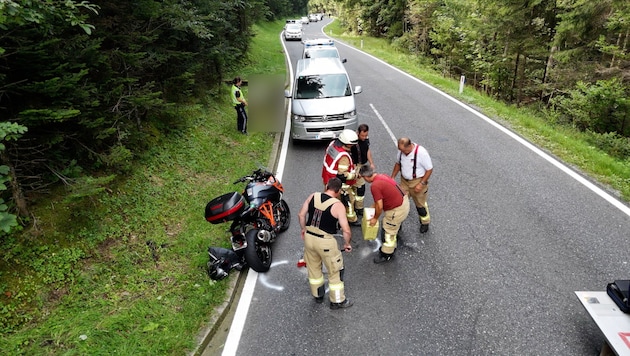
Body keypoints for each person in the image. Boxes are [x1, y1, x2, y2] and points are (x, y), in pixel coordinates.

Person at [298, 177, 354, 309]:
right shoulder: (337, 205)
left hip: (309, 238)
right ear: (339, 191)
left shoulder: (313, 196)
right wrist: (346, 244)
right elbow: (346, 230)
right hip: (325, 242)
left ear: (327, 186)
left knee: (313, 268)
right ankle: (337, 301)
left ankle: (318, 295)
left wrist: (303, 230)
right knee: (335, 270)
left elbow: (301, 215)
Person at [359, 165, 410, 264]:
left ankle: (387, 254)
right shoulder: (382, 176)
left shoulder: (375, 186)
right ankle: (397, 229)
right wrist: (372, 208)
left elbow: (380, 206)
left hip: (396, 211)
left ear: (365, 177)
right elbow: (380, 200)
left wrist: (375, 218)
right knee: (394, 224)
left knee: (388, 231)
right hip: (403, 202)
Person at [391, 137, 433, 233]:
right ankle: (398, 223)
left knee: (420, 205)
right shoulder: (401, 151)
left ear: (409, 146)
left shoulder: (421, 153)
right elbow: (398, 164)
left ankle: (425, 222)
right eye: (400, 150)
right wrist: (392, 176)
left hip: (417, 182)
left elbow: (429, 169)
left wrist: (421, 183)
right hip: (404, 181)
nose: (402, 152)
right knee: (400, 203)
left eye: (404, 150)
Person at [321, 129, 359, 223]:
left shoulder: (333, 144)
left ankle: (327, 215)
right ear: (348, 143)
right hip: (339, 184)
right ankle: (351, 219)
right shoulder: (343, 156)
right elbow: (342, 175)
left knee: (329, 199)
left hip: (327, 178)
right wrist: (355, 175)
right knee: (349, 200)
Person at [350, 124, 375, 217]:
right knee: (356, 187)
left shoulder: (366, 140)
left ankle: (359, 208)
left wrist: (371, 162)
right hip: (354, 166)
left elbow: (367, 151)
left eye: (366, 135)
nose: (364, 138)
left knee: (360, 189)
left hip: (362, 165)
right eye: (362, 136)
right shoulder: (353, 142)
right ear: (358, 133)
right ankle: (353, 208)